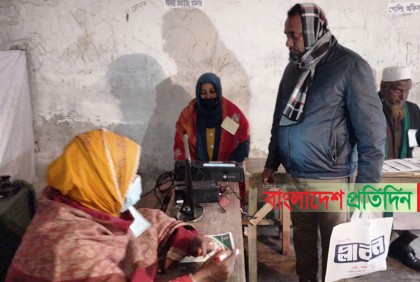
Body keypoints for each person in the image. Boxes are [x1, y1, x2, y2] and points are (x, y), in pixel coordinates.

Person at [6, 129, 237, 282]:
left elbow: (145, 221)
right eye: (128, 176)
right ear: (101, 181)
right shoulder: (71, 251)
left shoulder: (79, 204)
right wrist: (201, 278)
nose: (136, 181)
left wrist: (187, 239)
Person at [262, 3, 386, 281]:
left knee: (336, 248)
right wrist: (272, 160)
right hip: (297, 177)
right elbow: (278, 120)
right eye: (286, 34)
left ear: (313, 30)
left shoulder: (351, 67)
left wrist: (366, 191)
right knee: (303, 242)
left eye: (293, 35)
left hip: (332, 179)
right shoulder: (293, 70)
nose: (287, 42)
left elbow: (372, 135)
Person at [379, 66, 420, 271]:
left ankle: (400, 245)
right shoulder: (368, 107)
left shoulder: (412, 109)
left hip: (404, 174)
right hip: (374, 176)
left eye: (407, 90)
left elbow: (417, 138)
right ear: (383, 87)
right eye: (398, 90)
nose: (403, 96)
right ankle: (372, 250)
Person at [174, 72, 250, 162]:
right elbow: (181, 145)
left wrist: (232, 165)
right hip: (196, 172)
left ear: (218, 91)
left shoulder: (231, 113)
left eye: (212, 92)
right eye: (203, 92)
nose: (208, 96)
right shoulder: (188, 115)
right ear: (198, 93)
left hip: (225, 170)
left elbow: (243, 139)